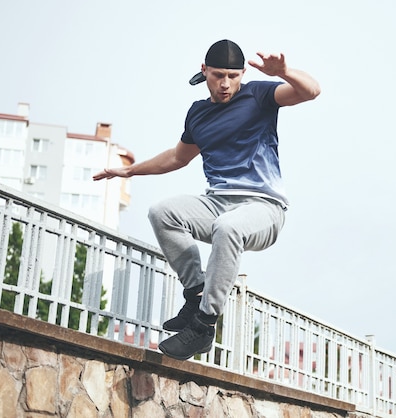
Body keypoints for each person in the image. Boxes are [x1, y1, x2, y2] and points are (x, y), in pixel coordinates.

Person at [93, 39, 320, 360]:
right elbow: (176, 158)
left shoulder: (259, 95)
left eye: (232, 76)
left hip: (264, 208)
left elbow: (311, 91)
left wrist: (285, 72)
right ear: (205, 71)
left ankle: (203, 325)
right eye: (217, 75)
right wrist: (128, 172)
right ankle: (195, 293)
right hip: (217, 203)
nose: (226, 84)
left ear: (242, 73)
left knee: (227, 228)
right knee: (163, 212)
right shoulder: (198, 114)